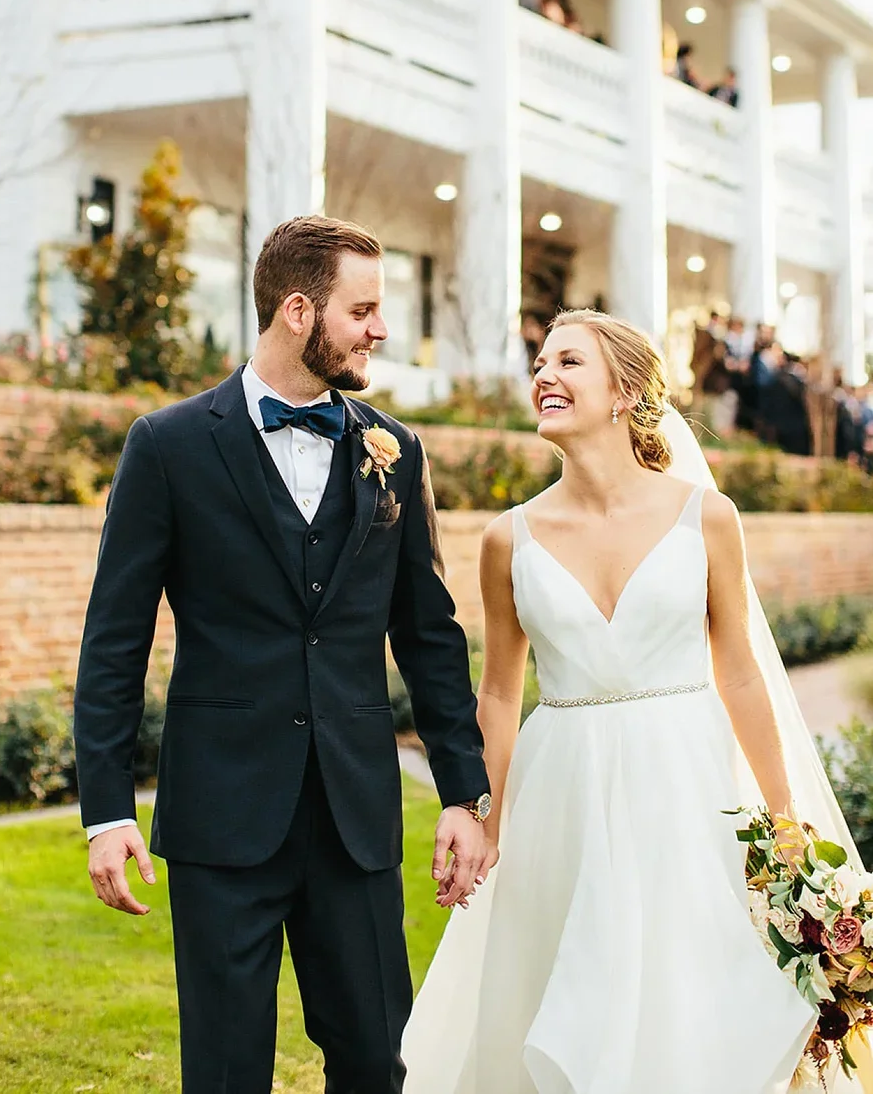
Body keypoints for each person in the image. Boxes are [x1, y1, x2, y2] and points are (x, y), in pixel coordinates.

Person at [74, 215, 491, 1094]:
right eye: (364, 309)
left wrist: (464, 790)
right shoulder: (169, 445)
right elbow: (115, 641)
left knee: (377, 1062)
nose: (380, 330)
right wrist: (106, 812)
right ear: (298, 311)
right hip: (223, 816)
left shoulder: (395, 452)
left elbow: (429, 634)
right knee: (225, 1074)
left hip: (354, 818)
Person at [402, 308, 859, 1093]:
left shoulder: (706, 517)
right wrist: (489, 822)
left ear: (623, 392)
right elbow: (502, 693)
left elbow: (741, 673)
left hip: (686, 788)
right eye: (540, 362)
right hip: (562, 792)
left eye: (568, 362)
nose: (543, 375)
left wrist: (784, 819)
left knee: (689, 1000)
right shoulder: (509, 538)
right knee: (569, 994)